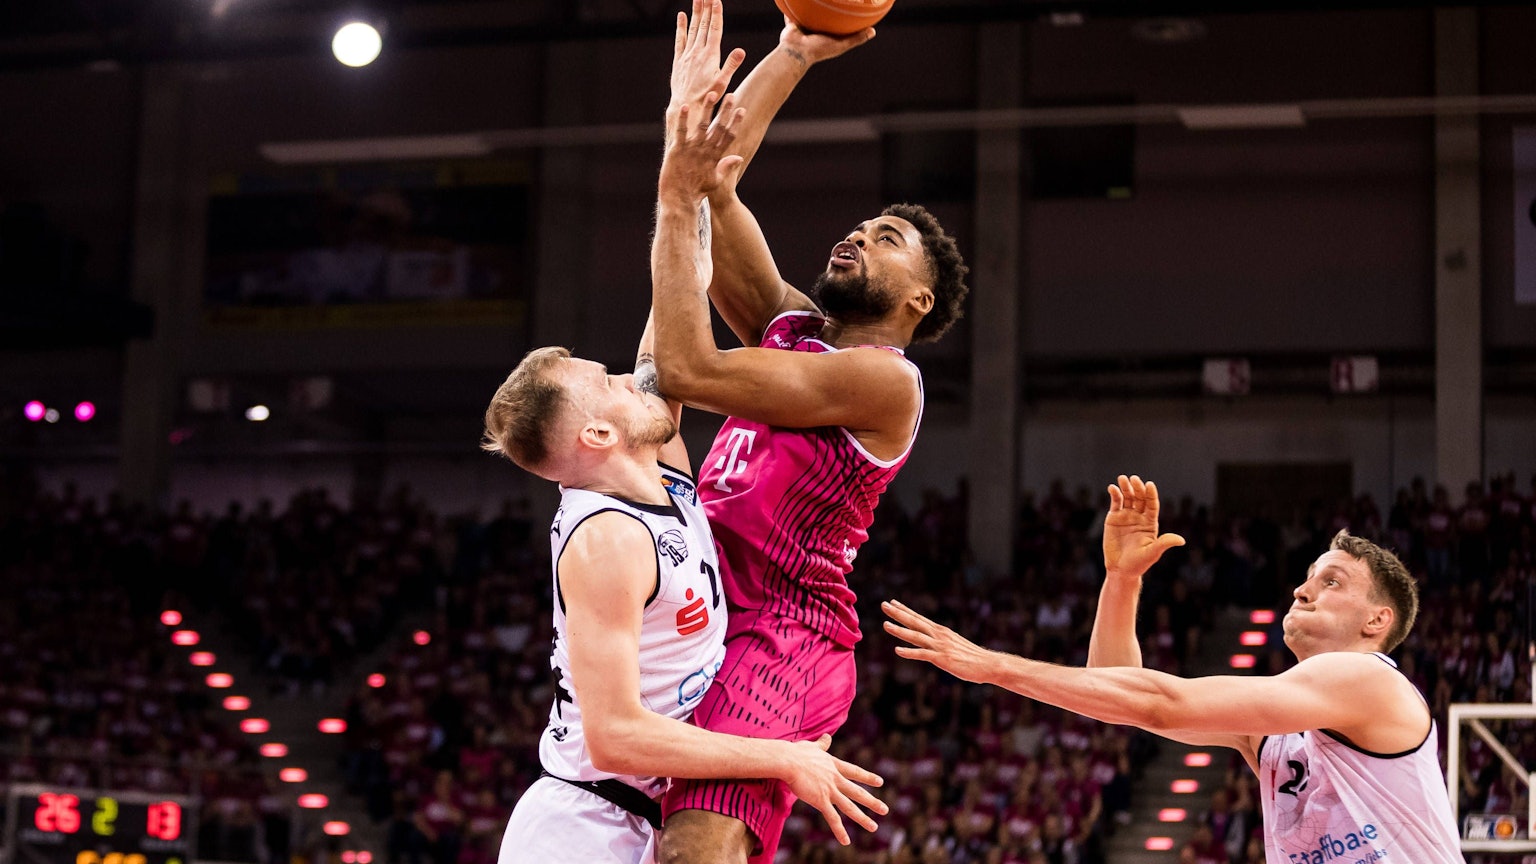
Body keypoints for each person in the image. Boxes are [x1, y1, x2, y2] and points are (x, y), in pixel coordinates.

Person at [651, 4, 970, 862]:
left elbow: (687, 372)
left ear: (918, 302)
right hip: (700, 601)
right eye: (863, 226)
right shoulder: (794, 329)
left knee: (693, 847)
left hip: (783, 630)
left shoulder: (882, 384)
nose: (859, 234)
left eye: (888, 239)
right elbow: (716, 181)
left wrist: (678, 194)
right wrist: (792, 54)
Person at [483, 211, 884, 860]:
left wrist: (689, 209)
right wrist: (781, 759)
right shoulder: (607, 538)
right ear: (597, 437)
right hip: (583, 829)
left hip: (638, 818)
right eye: (606, 384)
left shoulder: (652, 473)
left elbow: (656, 361)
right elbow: (614, 737)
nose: (627, 381)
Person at [884, 475, 1465, 864]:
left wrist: (993, 666)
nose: (1302, 589)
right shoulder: (1278, 734)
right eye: (1309, 575)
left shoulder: (1369, 680)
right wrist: (1122, 581)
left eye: (1331, 581)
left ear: (1376, 621)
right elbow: (1122, 700)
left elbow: (1164, 702)